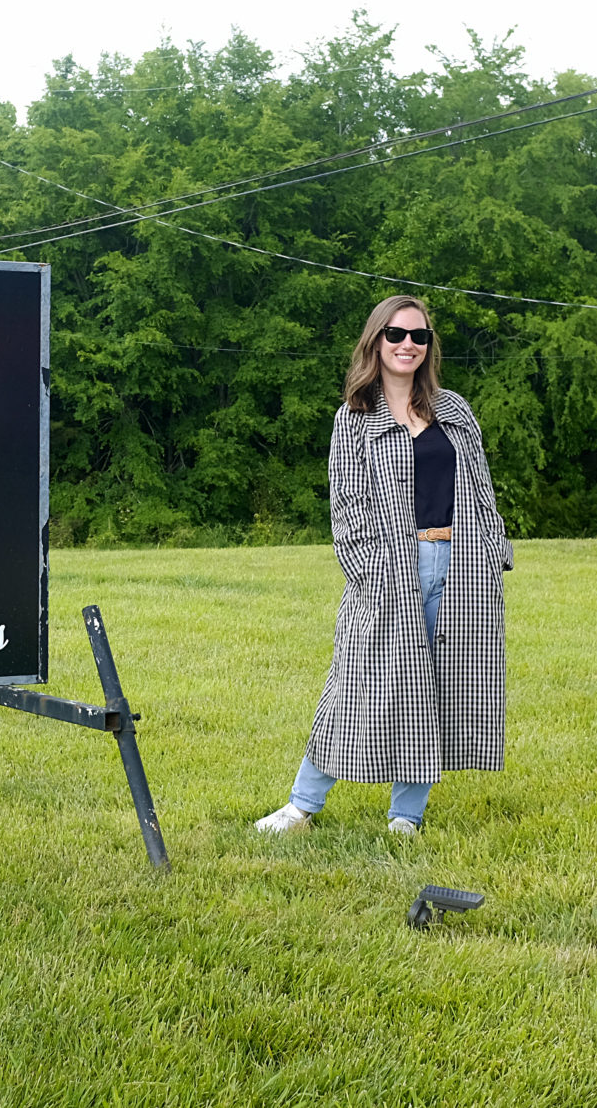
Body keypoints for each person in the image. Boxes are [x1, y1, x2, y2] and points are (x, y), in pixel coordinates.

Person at [255, 294, 512, 836]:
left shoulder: (454, 410)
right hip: (390, 567)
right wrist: (368, 572)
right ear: (376, 341)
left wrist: (494, 554)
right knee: (355, 683)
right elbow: (345, 505)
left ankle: (406, 816)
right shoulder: (354, 418)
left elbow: (482, 490)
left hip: (463, 564)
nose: (408, 345)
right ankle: (302, 806)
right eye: (396, 335)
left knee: (439, 688)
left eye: (418, 336)